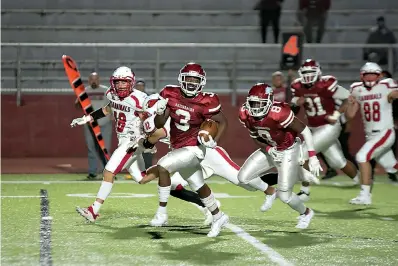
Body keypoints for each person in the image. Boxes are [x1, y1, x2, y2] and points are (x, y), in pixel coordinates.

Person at [146, 62, 230, 237]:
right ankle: (218, 215)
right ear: (181, 79)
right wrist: (160, 111)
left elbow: (223, 121)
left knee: (163, 166)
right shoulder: (170, 93)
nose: (191, 82)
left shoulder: (207, 100)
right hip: (178, 145)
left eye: (195, 79)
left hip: (195, 148)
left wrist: (215, 141)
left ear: (202, 81)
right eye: (188, 78)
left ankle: (161, 213)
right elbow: (159, 125)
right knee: (199, 186)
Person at [238, 83, 322, 229]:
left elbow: (305, 130)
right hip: (271, 149)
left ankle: (306, 213)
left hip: (289, 150)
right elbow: (255, 136)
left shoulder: (280, 112)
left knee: (285, 196)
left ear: (270, 102)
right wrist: (269, 149)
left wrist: (313, 156)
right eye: (253, 103)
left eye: (260, 103)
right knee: (243, 177)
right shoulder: (245, 113)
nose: (256, 107)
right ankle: (270, 192)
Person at [71, 66, 149, 221]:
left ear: (131, 82)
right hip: (123, 140)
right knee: (141, 179)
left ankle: (93, 210)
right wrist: (86, 118)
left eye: (124, 82)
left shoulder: (140, 98)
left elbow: (149, 119)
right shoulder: (110, 94)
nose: (120, 85)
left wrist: (147, 139)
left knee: (109, 171)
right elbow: (107, 109)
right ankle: (166, 174)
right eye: (118, 82)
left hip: (133, 140)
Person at [290, 59, 360, 200]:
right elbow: (294, 109)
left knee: (303, 154)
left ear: (318, 72)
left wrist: (336, 114)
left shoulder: (327, 83)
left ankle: (305, 192)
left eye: (311, 72)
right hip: (313, 128)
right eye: (305, 73)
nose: (308, 76)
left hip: (329, 126)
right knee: (338, 162)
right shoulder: (297, 86)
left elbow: (348, 98)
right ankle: (362, 181)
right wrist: (295, 102)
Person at [346, 62, 398, 205]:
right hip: (371, 135)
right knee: (392, 167)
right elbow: (351, 115)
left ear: (379, 75)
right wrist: (350, 103)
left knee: (362, 157)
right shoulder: (356, 90)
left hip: (384, 132)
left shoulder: (386, 86)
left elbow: (395, 94)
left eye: (373, 74)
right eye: (367, 74)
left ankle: (365, 195)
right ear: (362, 76)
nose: (370, 77)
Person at [75, 72, 112, 179]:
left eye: (96, 79)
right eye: (92, 79)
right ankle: (92, 172)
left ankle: (108, 172)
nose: (94, 81)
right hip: (89, 124)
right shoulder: (84, 91)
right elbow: (77, 106)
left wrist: (112, 116)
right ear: (89, 80)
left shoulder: (106, 90)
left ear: (99, 80)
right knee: (91, 148)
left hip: (104, 123)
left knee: (105, 148)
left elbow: (112, 105)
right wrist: (78, 101)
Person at [134, 78, 154, 169]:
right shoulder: (132, 98)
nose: (139, 88)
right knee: (135, 148)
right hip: (134, 127)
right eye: (138, 86)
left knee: (148, 148)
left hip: (147, 126)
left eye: (141, 86)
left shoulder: (149, 99)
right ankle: (137, 170)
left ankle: (148, 168)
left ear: (144, 87)